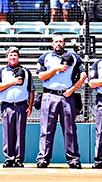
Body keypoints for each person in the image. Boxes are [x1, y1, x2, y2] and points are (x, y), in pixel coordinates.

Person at [35, 35, 82, 169]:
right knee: (46, 129)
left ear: (64, 43)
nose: (58, 44)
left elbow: (83, 75)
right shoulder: (45, 57)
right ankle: (43, 158)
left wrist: (72, 89)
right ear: (52, 43)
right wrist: (56, 69)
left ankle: (73, 158)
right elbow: (40, 76)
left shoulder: (73, 57)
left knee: (70, 129)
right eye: (56, 41)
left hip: (67, 96)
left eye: (61, 41)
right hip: (49, 95)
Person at [0, 48, 32, 168]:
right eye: (11, 55)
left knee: (20, 133)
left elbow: (31, 90)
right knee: (8, 133)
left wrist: (30, 106)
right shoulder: (2, 71)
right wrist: (12, 82)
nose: (13, 57)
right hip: (7, 106)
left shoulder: (26, 71)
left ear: (18, 57)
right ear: (7, 57)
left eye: (15, 55)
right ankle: (9, 158)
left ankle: (19, 159)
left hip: (21, 105)